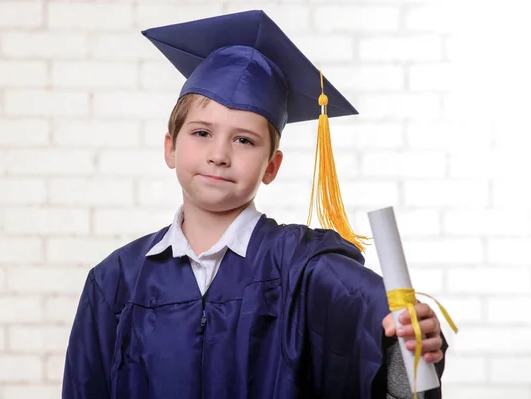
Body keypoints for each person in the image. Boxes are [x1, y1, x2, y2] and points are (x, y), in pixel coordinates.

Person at [62, 10, 448, 399]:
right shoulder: (115, 281)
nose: (219, 154)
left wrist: (408, 339)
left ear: (272, 166)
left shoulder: (303, 267)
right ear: (170, 148)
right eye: (201, 133)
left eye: (244, 140)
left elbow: (377, 324)